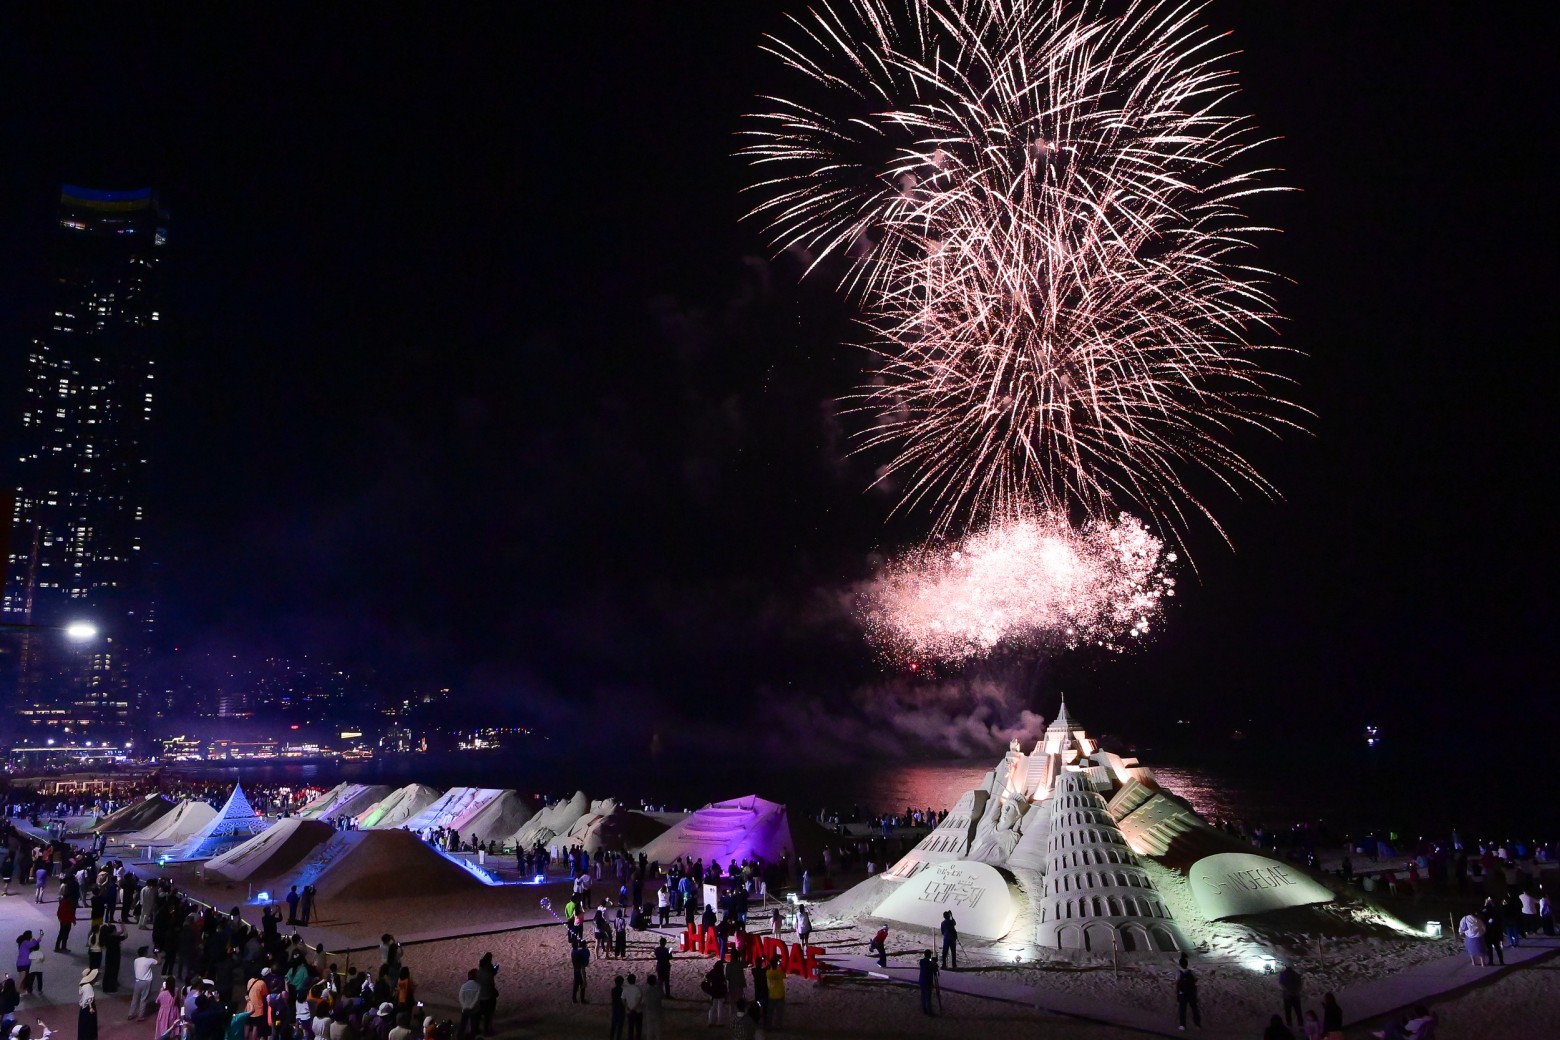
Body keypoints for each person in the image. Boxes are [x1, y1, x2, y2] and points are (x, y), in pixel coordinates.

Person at [128, 946, 159, 1019]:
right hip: (146, 982)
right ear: (145, 953)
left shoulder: (136, 960)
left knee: (135, 999)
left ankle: (130, 1014)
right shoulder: (149, 960)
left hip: (137, 982)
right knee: (144, 999)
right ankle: (140, 1016)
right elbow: (159, 962)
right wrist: (157, 953)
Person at [1175, 955, 1200, 1031]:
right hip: (1191, 993)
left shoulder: (1178, 973)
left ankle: (1182, 1025)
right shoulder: (1191, 972)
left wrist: (1178, 995)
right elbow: (1196, 979)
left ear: (1180, 964)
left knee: (1182, 1010)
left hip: (1183, 994)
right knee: (1194, 1009)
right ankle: (1197, 1024)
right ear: (1187, 964)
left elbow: (1177, 983)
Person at [701, 959, 728, 1027]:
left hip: (713, 992)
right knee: (720, 1008)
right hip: (721, 992)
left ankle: (710, 1022)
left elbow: (706, 978)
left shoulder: (713, 972)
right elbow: (724, 983)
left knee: (712, 1007)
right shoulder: (721, 973)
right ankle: (720, 1022)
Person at [1278, 963, 1303, 1027]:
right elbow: (1300, 985)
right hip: (1295, 995)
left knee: (1288, 1012)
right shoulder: (1296, 974)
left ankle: (1290, 1025)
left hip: (1287, 996)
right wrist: (1296, 991)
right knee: (1298, 1011)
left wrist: (1287, 991)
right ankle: (1301, 1025)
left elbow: (1281, 984)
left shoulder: (1283, 974)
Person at [765, 954, 786, 1031]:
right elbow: (784, 974)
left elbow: (767, 968)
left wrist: (770, 963)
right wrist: (780, 964)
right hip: (780, 994)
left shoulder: (768, 973)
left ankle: (769, 1025)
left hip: (772, 994)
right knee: (779, 1012)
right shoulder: (779, 973)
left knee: (770, 1012)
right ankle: (778, 1026)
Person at [456, 970, 479, 1039]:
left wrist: (464, 1006)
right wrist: (471, 1006)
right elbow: (477, 998)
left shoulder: (464, 986)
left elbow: (460, 997)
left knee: (463, 1025)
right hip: (474, 1010)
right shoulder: (478, 986)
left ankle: (460, 1037)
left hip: (465, 1009)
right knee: (473, 1026)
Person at [15, 931, 41, 995]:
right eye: (31, 935)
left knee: (22, 978)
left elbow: (34, 945)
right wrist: (36, 939)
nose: (32, 936)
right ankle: (17, 990)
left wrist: (39, 938)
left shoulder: (23, 944)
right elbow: (34, 944)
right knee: (22, 978)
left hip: (20, 963)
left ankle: (21, 989)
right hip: (24, 964)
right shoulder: (25, 942)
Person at [78, 967, 100, 1040]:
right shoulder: (88, 987)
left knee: (83, 1023)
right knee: (89, 1023)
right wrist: (91, 1008)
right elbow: (89, 998)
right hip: (88, 1007)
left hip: (83, 1008)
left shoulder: (83, 985)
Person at [642, 973, 663, 1040]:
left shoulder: (646, 991)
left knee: (649, 1029)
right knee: (658, 1029)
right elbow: (662, 996)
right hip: (657, 1011)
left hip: (649, 1011)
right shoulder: (658, 990)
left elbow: (644, 1001)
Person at [622, 972, 643, 1040]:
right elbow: (639, 1000)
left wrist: (627, 1007)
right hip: (638, 1011)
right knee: (638, 1028)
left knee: (630, 1027)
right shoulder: (638, 989)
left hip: (629, 1011)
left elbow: (623, 999)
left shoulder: (625, 989)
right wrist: (634, 1008)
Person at [917, 949, 938, 1016]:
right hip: (928, 982)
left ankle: (924, 1009)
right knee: (928, 998)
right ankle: (929, 1012)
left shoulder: (921, 961)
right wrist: (934, 962)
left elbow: (927, 960)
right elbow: (935, 970)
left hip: (921, 981)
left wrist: (932, 960)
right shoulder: (931, 964)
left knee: (923, 996)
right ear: (929, 955)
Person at [569, 937, 589, 1004]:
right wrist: (585, 979)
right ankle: (582, 1000)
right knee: (582, 984)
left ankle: (574, 999)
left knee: (576, 985)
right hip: (580, 970)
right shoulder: (579, 953)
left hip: (575, 970)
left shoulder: (573, 952)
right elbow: (583, 966)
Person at [608, 975, 624, 1040]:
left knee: (613, 1025)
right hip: (621, 1009)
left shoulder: (613, 990)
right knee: (620, 1026)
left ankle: (611, 1037)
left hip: (615, 1008)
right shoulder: (623, 991)